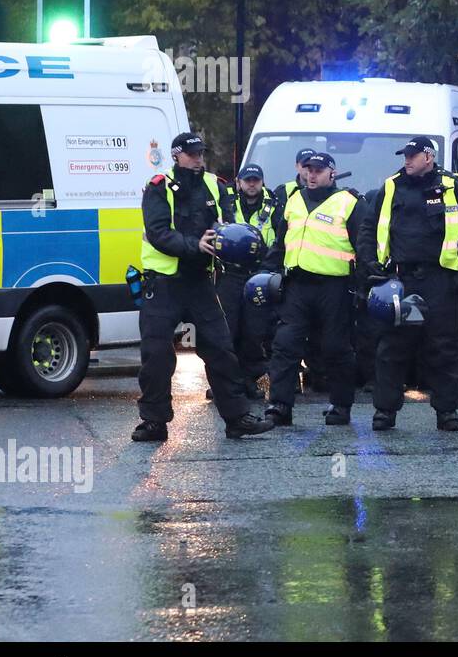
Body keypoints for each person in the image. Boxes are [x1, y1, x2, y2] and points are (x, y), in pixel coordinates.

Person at [132, 132, 274, 441]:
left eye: (201, 153)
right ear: (177, 155)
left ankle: (237, 418)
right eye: (192, 153)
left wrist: (239, 244)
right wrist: (195, 244)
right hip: (164, 282)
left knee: (222, 350)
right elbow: (158, 233)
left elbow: (228, 225)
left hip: (201, 283)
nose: (199, 158)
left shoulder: (216, 185)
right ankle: (154, 422)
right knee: (157, 355)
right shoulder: (158, 188)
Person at [357, 135, 458, 431]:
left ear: (429, 157)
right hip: (400, 279)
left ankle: (447, 411)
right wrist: (370, 264)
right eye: (404, 156)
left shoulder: (453, 186)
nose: (406, 160)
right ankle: (385, 411)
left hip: (441, 280)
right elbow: (369, 228)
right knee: (392, 348)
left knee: (444, 348)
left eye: (412, 155)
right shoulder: (391, 186)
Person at [262, 152, 368, 426]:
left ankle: (341, 406)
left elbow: (364, 249)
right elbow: (282, 242)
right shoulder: (294, 199)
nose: (312, 174)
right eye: (308, 169)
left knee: (335, 348)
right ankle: (280, 405)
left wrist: (363, 287)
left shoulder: (349, 203)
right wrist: (267, 271)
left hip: (334, 287)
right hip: (297, 284)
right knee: (285, 344)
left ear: (332, 173)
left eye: (318, 170)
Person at [216, 162, 278, 398]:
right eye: (248, 180)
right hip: (230, 273)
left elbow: (280, 236)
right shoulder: (228, 204)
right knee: (227, 329)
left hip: (260, 272)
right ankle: (225, 382)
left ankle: (250, 381)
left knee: (254, 331)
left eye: (256, 180)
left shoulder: (274, 205)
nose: (252, 184)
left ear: (262, 182)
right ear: (239, 182)